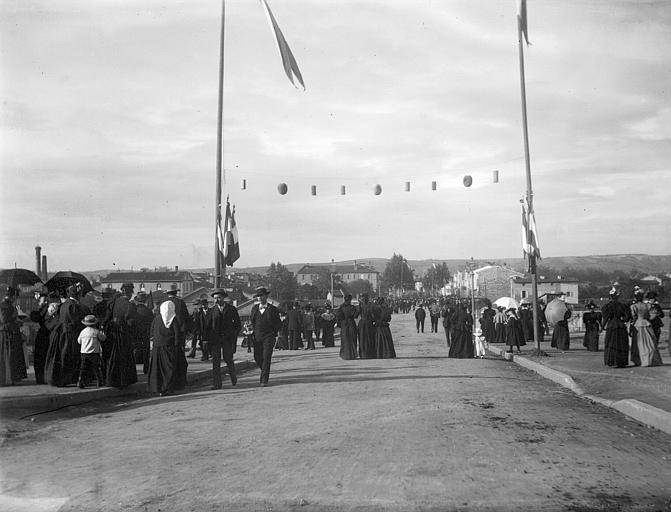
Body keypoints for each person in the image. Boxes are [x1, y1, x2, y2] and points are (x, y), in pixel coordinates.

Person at [45, 284, 88, 387]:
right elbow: (75, 322)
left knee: (63, 357)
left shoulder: (65, 304)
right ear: (77, 294)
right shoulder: (72, 305)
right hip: (69, 335)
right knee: (68, 357)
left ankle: (63, 379)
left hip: (62, 333)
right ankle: (65, 379)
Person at [103, 282, 138, 389]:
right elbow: (131, 322)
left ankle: (112, 379)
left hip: (113, 332)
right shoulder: (129, 304)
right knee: (124, 357)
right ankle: (124, 381)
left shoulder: (114, 302)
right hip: (123, 333)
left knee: (114, 357)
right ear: (130, 292)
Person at [206, 289, 240, 389]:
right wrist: (206, 339)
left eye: (219, 298)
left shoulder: (231, 309)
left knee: (228, 358)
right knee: (216, 361)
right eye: (215, 298)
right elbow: (207, 327)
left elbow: (237, 324)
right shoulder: (212, 311)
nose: (216, 300)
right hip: (215, 340)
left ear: (223, 298)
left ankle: (233, 375)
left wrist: (233, 334)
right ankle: (217, 384)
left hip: (227, 339)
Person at [249, 287, 282, 387]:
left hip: (268, 337)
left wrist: (273, 333)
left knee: (266, 358)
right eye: (258, 296)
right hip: (257, 337)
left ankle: (264, 380)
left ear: (266, 296)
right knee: (257, 357)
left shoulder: (273, 309)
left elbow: (278, 323)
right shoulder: (254, 309)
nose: (260, 298)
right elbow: (252, 321)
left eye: (262, 296)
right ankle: (264, 370)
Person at [147, 301, 180, 396]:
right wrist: (177, 345)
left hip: (157, 347)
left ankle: (157, 388)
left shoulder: (156, 319)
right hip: (168, 347)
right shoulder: (174, 319)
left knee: (157, 368)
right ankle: (167, 388)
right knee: (169, 368)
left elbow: (152, 332)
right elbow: (177, 334)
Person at [630, 289, 662, 367]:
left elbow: (634, 317)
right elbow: (649, 315)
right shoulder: (646, 306)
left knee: (639, 344)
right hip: (646, 324)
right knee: (649, 343)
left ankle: (639, 360)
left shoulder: (634, 306)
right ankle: (649, 359)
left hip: (638, 324)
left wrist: (631, 325)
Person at [0, 287, 26, 386]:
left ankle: (11, 378)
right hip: (6, 334)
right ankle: (7, 379)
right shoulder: (3, 305)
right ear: (12, 296)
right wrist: (15, 317)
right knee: (8, 357)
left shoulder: (8, 305)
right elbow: (4, 320)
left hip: (10, 333)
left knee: (11, 357)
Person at [602, 288, 632, 368]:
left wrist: (602, 327)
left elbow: (605, 318)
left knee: (611, 343)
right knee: (621, 343)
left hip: (611, 325)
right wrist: (623, 320)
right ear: (617, 297)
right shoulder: (622, 306)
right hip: (620, 325)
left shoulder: (607, 306)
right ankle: (620, 362)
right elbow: (627, 317)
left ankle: (611, 361)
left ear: (610, 297)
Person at [76, 314, 105, 388]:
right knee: (96, 368)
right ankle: (99, 382)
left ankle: (80, 382)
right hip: (94, 353)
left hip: (84, 352)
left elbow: (79, 341)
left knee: (83, 369)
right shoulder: (96, 332)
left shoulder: (83, 332)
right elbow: (103, 338)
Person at [30, 291, 51, 384]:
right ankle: (40, 378)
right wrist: (42, 308)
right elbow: (35, 317)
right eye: (44, 300)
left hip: (47, 334)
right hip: (41, 334)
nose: (46, 302)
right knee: (40, 356)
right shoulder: (38, 310)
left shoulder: (49, 309)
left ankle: (45, 377)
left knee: (45, 356)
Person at [133, 291, 154, 374]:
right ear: (145, 301)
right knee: (146, 351)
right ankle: (146, 368)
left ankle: (134, 369)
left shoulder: (134, 310)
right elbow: (152, 322)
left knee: (135, 350)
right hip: (146, 333)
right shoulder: (148, 311)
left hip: (136, 333)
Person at [335, 294, 358, 360]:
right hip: (351, 323)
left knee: (345, 340)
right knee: (352, 339)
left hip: (344, 324)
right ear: (350, 300)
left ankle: (345, 355)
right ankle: (352, 355)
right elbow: (355, 315)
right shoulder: (352, 307)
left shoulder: (341, 307)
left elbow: (338, 317)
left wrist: (340, 324)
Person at [357, 293, 376, 359]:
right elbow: (373, 315)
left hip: (362, 323)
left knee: (362, 339)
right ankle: (370, 354)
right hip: (369, 323)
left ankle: (363, 354)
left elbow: (356, 314)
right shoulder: (371, 305)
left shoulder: (361, 305)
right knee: (370, 338)